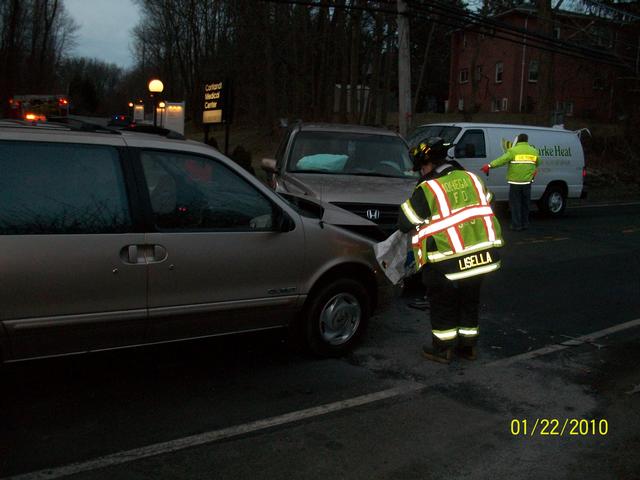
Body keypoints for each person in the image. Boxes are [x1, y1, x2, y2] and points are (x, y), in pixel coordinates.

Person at [398, 137, 504, 364]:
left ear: (429, 164)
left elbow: (405, 221)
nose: (421, 173)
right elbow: (486, 202)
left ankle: (442, 348)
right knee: (469, 299)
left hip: (446, 259)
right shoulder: (472, 178)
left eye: (422, 168)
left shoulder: (429, 187)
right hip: (481, 255)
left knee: (442, 302)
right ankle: (468, 347)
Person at [481, 133, 539, 231]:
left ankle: (517, 225)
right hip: (527, 183)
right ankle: (525, 224)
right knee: (525, 204)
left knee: (515, 204)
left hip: (515, 183)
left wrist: (490, 166)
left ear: (518, 140)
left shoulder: (513, 151)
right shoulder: (534, 151)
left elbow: (502, 160)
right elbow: (537, 163)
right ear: (526, 140)